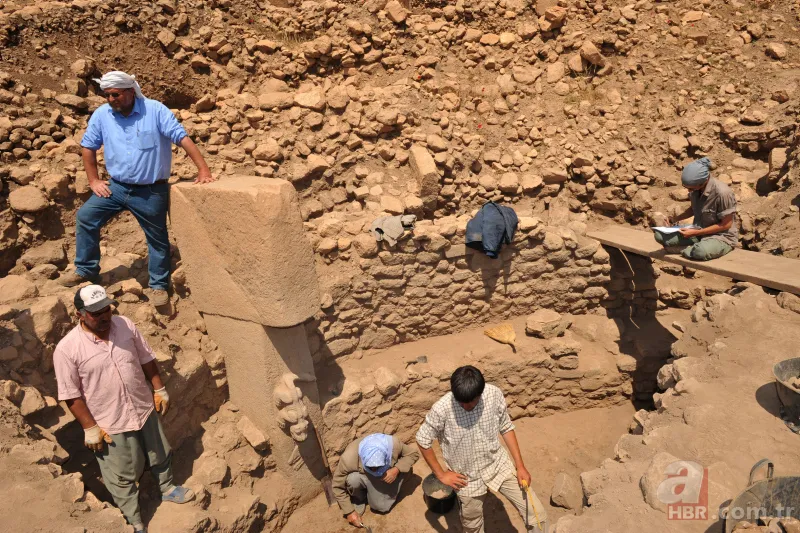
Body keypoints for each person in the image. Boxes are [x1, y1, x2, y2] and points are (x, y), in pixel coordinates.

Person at [58, 71, 214, 306]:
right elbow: (88, 147)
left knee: (157, 238)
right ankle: (86, 269)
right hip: (116, 187)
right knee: (86, 216)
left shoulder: (155, 110)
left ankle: (159, 285)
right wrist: (94, 181)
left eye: (115, 94)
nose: (111, 100)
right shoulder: (102, 115)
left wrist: (203, 170)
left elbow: (181, 138)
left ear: (130, 91)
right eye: (107, 95)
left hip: (150, 191)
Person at [53, 284, 194, 533]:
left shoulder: (125, 325)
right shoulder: (68, 349)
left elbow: (146, 358)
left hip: (142, 407)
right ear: (80, 315)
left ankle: (168, 488)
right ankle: (135, 521)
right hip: (110, 422)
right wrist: (90, 428)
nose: (104, 316)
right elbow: (70, 394)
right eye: (96, 313)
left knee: (159, 453)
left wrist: (159, 389)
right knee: (122, 475)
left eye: (106, 309)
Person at [416, 366, 548, 533]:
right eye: (460, 402)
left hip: (498, 464)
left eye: (470, 402)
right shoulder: (441, 409)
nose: (465, 405)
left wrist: (520, 466)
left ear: (481, 393)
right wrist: (441, 474)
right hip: (466, 478)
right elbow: (422, 439)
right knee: (473, 526)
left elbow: (506, 427)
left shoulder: (494, 394)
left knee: (538, 517)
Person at [653, 157, 738, 261]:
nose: (689, 190)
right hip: (698, 230)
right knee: (660, 236)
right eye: (686, 187)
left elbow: (726, 224)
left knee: (700, 252)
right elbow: (694, 209)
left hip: (721, 236)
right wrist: (674, 220)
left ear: (703, 181)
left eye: (691, 188)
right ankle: (693, 247)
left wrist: (695, 233)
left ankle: (687, 250)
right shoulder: (696, 189)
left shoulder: (723, 193)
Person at [332, 432, 419, 528]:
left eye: (378, 466)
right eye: (371, 467)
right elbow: (337, 486)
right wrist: (349, 511)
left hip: (387, 474)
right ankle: (361, 499)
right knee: (353, 480)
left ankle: (403, 477)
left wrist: (396, 469)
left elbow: (413, 454)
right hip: (363, 474)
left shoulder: (393, 445)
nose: (374, 470)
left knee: (381, 507)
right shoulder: (348, 459)